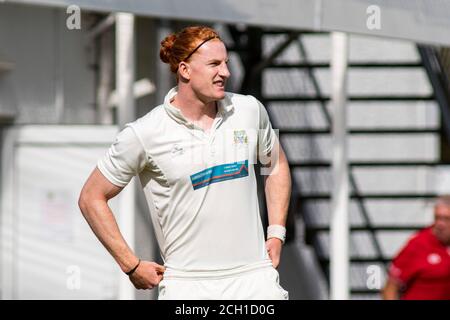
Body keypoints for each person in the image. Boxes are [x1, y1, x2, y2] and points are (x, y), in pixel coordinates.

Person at [78, 25, 292, 300]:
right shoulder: (144, 133)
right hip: (188, 287)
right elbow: (91, 197)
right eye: (214, 64)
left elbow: (275, 165)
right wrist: (130, 265)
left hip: (255, 279)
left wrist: (276, 231)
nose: (225, 72)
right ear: (185, 70)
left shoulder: (250, 109)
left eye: (225, 63)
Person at [382, 196, 450, 300]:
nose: (440, 224)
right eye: (437, 218)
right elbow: (391, 287)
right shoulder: (419, 244)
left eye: (446, 219)